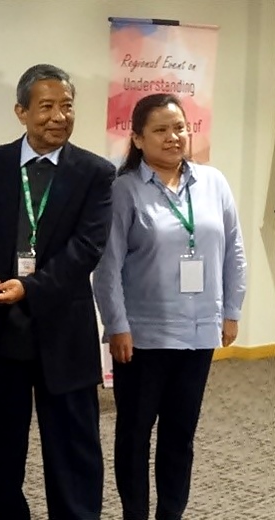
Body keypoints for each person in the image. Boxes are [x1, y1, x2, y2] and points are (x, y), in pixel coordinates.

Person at [0, 64, 116, 520]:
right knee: (0, 451)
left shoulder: (95, 173)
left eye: (67, 106)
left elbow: (88, 248)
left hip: (62, 327)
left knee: (73, 450)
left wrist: (31, 287)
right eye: (46, 107)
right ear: (21, 111)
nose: (59, 116)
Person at [93, 93, 247, 520]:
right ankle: (135, 514)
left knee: (181, 435)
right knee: (135, 434)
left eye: (179, 128)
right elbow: (107, 266)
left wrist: (230, 309)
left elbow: (234, 249)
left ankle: (170, 515)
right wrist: (117, 325)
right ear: (138, 138)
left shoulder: (213, 182)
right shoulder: (123, 190)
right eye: (160, 129)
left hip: (198, 332)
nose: (173, 137)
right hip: (141, 337)